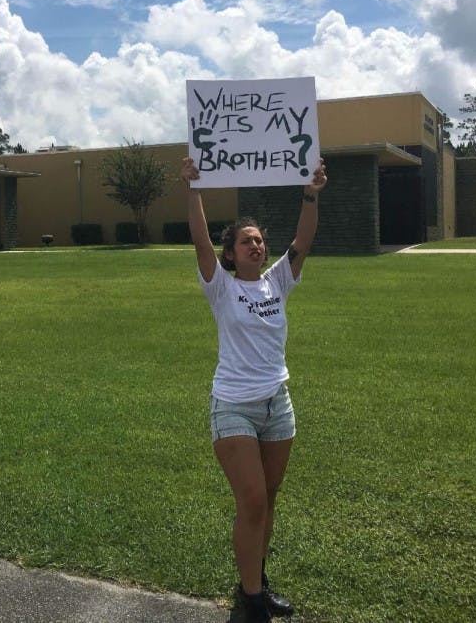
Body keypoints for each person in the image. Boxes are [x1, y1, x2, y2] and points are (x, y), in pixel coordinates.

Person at [181, 157, 327, 622]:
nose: (256, 245)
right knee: (253, 500)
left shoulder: (277, 281)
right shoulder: (220, 287)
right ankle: (252, 600)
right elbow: (200, 241)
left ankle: (255, 582)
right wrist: (194, 190)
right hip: (234, 406)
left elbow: (303, 241)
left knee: (270, 497)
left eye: (260, 240)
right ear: (231, 254)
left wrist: (310, 194)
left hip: (277, 405)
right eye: (246, 241)